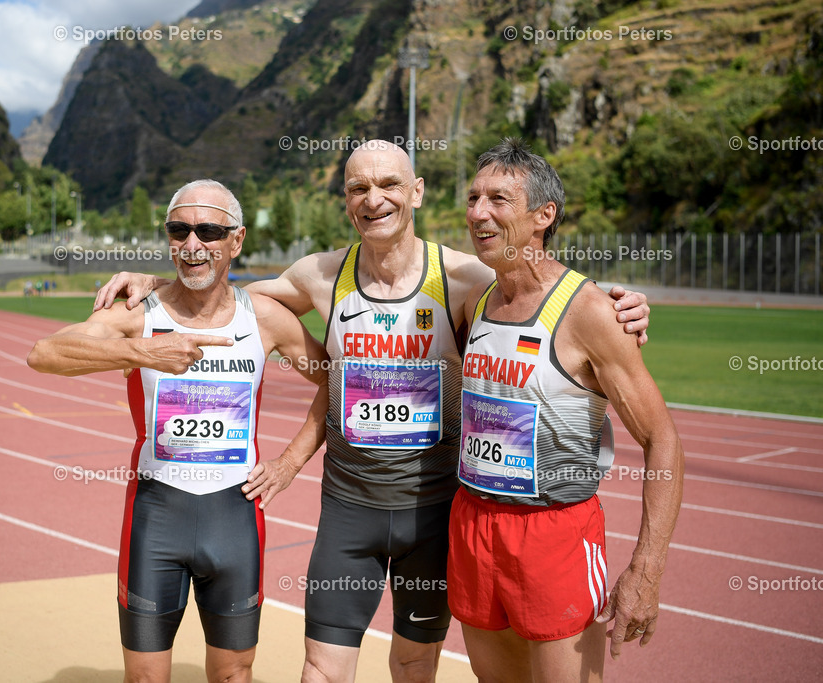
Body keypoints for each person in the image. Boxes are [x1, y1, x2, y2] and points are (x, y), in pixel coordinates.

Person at [92, 140, 652, 683]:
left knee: (414, 669)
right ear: (345, 198)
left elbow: (545, 291)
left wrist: (616, 301)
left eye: (388, 184)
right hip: (348, 510)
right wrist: (163, 282)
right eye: (358, 186)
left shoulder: (464, 279)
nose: (373, 198)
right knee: (321, 669)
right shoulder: (318, 275)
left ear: (418, 192)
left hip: (432, 512)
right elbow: (218, 294)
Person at [28, 179, 330, 683]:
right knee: (146, 677)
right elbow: (44, 354)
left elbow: (336, 379)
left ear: (236, 241)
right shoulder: (135, 314)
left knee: (234, 674)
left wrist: (290, 462)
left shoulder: (266, 320)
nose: (193, 244)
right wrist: (142, 352)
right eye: (179, 230)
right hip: (156, 516)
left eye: (209, 230)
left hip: (234, 516)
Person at [450, 138, 684, 682]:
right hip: (474, 523)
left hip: (553, 532)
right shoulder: (476, 299)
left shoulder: (592, 312)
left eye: (499, 199)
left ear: (544, 215)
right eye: (473, 197)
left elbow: (662, 439)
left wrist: (646, 572)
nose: (478, 212)